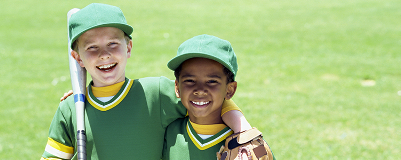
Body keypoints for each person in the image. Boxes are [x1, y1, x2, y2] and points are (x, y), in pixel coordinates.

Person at [41, 3, 251, 160]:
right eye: (92, 48)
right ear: (78, 58)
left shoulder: (155, 94)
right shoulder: (71, 109)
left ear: (129, 48)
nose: (104, 55)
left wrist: (244, 130)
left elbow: (211, 99)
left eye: (113, 44)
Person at [163, 35, 275, 160]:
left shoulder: (248, 145)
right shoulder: (170, 133)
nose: (200, 90)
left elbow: (262, 153)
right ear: (177, 88)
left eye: (211, 81)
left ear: (230, 90)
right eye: (189, 80)